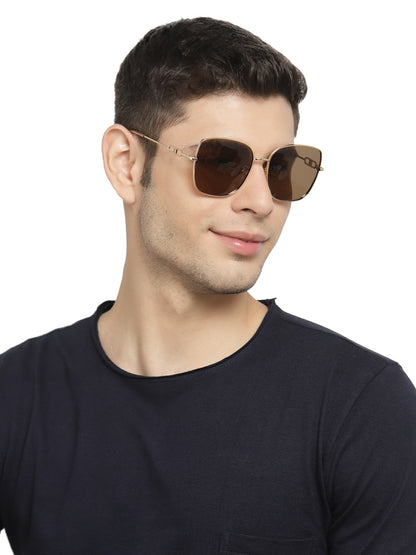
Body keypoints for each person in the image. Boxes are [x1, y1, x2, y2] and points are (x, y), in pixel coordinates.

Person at [0, 16, 415, 555]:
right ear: (127, 164)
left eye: (284, 168)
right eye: (221, 162)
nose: (261, 202)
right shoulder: (17, 395)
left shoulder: (362, 409)